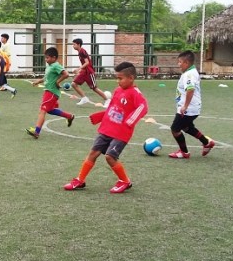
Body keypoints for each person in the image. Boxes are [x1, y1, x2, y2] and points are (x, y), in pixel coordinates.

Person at [64, 62, 148, 193]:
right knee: (93, 153)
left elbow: (143, 107)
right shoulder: (118, 90)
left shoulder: (135, 93)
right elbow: (113, 107)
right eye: (117, 78)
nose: (117, 81)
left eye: (120, 78)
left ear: (131, 78)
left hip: (121, 132)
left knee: (110, 157)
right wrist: (102, 116)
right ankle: (80, 180)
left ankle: (125, 181)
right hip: (107, 128)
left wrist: (130, 121)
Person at [168, 50, 215, 159]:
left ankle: (184, 152)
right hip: (192, 107)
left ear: (186, 63)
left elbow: (190, 89)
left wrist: (185, 106)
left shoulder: (189, 74)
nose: (178, 64)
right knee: (186, 127)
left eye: (180, 62)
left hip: (188, 109)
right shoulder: (191, 72)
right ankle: (206, 142)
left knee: (175, 129)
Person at [26, 47, 75, 139]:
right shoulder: (49, 66)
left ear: (54, 58)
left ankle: (36, 132)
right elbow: (46, 77)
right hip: (48, 91)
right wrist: (38, 81)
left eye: (47, 58)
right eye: (45, 57)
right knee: (50, 110)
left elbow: (66, 74)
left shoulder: (56, 65)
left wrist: (58, 82)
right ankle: (69, 116)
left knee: (42, 111)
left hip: (52, 92)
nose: (46, 59)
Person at [70, 38, 108, 106]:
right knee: (73, 84)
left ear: (78, 44)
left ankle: (107, 100)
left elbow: (87, 62)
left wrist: (78, 69)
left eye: (74, 44)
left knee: (94, 88)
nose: (73, 46)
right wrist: (80, 70)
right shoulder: (80, 52)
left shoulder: (82, 51)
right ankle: (84, 98)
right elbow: (84, 63)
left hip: (89, 72)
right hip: (84, 72)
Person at [0, 33, 17, 100]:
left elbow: (7, 54)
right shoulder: (2, 47)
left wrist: (1, 53)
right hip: (3, 65)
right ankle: (11, 90)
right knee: (1, 81)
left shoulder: (7, 46)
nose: (1, 39)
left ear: (5, 39)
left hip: (4, 65)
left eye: (2, 38)